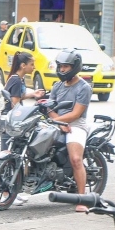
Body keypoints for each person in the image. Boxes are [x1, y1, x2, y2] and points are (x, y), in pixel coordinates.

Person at [0, 51, 45, 206]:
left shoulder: (16, 78)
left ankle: (10, 190)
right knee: (11, 156)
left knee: (11, 154)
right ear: (23, 65)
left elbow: (18, 95)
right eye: (32, 64)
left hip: (6, 121)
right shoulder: (17, 80)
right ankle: (8, 191)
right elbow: (15, 104)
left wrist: (33, 94)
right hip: (10, 123)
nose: (34, 67)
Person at [47, 49, 92, 213]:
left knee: (75, 159)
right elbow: (49, 108)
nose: (63, 70)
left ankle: (83, 198)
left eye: (66, 66)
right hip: (57, 121)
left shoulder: (84, 87)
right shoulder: (57, 86)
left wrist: (58, 120)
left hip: (76, 124)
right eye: (61, 66)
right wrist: (57, 122)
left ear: (74, 67)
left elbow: (76, 113)